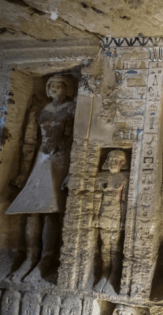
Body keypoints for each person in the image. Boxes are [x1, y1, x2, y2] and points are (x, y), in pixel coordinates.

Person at [6, 75, 76, 285]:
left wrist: (73, 171)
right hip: (42, 158)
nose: (55, 89)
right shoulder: (41, 109)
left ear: (67, 89)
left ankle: (46, 259)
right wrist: (22, 172)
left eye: (59, 86)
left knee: (52, 213)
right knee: (32, 211)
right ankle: (29, 257)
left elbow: (77, 140)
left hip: (61, 160)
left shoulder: (72, 109)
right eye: (51, 86)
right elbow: (30, 141)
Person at [93, 150, 129, 294]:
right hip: (104, 215)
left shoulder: (124, 178)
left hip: (116, 216)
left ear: (123, 163)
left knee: (115, 247)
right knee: (104, 245)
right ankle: (104, 273)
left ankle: (114, 274)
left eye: (117, 160)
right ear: (106, 161)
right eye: (111, 159)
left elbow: (125, 201)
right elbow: (96, 200)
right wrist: (95, 216)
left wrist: (124, 219)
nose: (113, 162)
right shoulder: (101, 177)